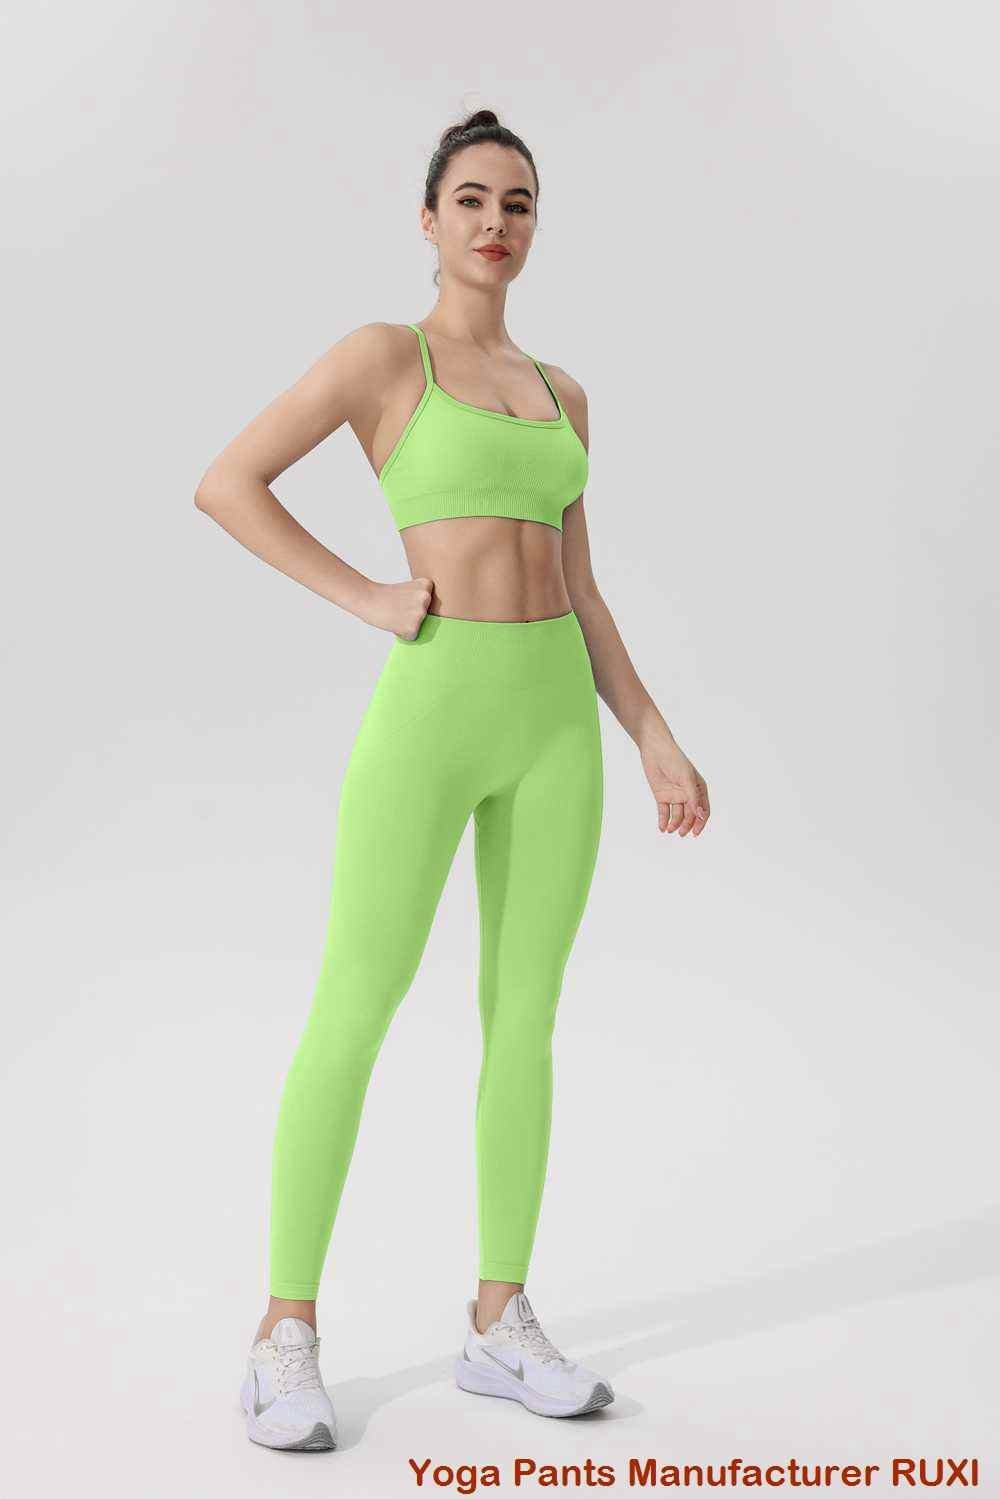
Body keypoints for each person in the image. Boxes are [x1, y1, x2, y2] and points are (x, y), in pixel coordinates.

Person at [195, 107, 711, 1453]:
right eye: (473, 199)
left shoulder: (563, 394)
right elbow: (229, 482)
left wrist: (650, 731)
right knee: (353, 1008)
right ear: (428, 220)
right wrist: (369, 595)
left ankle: (498, 1320)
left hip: (554, 726)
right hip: (432, 712)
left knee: (522, 1019)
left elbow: (581, 585)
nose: (496, 223)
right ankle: (284, 1335)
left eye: (519, 203)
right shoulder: (387, 357)